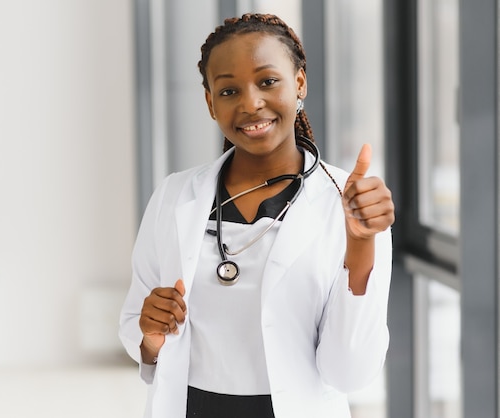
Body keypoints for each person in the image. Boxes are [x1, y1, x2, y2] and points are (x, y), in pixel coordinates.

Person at [119, 13, 395, 418]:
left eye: (268, 81)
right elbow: (137, 328)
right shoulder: (174, 196)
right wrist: (149, 335)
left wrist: (360, 244)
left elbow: (349, 372)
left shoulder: (351, 204)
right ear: (211, 103)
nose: (250, 103)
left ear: (299, 83)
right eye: (229, 90)